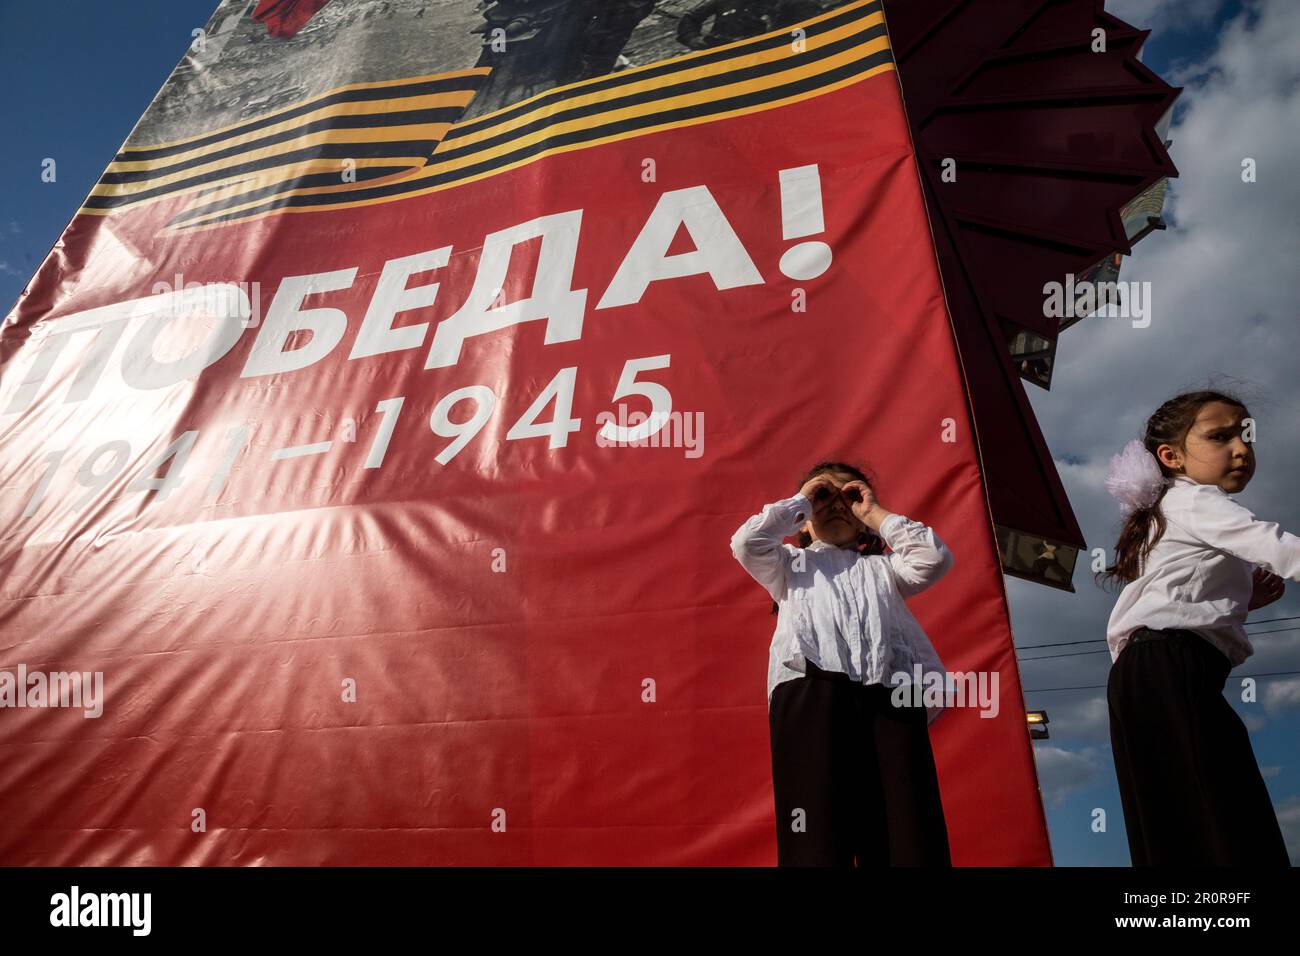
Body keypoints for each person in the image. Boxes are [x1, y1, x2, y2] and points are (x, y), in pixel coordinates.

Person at [1100, 389, 1297, 866]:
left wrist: (1245, 596)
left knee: (1175, 820)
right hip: (1168, 666)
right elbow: (1272, 544)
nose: (1241, 449)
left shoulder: (1171, 512)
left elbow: (1180, 593)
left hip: (1145, 672)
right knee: (1221, 815)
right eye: (1220, 436)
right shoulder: (1194, 500)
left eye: (1247, 436)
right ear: (1171, 456)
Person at [730, 460, 954, 866]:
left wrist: (872, 512)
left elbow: (933, 558)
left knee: (907, 829)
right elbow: (746, 543)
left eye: (848, 497)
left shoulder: (886, 569)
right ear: (804, 522)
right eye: (824, 497)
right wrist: (802, 500)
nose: (836, 504)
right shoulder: (787, 566)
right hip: (809, 691)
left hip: (890, 695)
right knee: (814, 833)